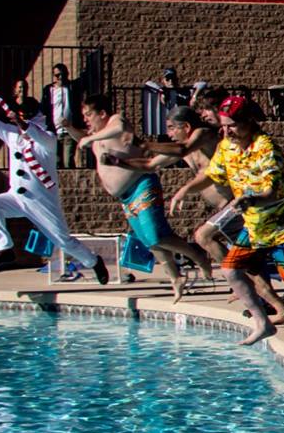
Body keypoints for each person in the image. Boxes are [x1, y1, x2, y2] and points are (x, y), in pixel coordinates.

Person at [176, 95, 284, 364]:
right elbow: (212, 174)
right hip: (254, 226)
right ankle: (264, 323)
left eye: (232, 126)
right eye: (223, 127)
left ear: (250, 122)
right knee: (230, 270)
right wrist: (184, 189)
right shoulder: (226, 146)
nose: (226, 132)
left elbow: (271, 190)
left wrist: (251, 199)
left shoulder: (266, 147)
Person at [145, 106, 284, 324]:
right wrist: (120, 161)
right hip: (236, 206)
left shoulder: (205, 135)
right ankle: (267, 301)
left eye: (209, 113)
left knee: (207, 238)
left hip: (239, 205)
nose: (208, 119)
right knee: (247, 263)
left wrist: (143, 144)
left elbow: (183, 150)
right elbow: (156, 163)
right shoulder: (223, 143)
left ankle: (246, 287)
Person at [64, 92, 209, 298]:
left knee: (156, 235)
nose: (86, 119)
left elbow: (120, 128)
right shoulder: (97, 135)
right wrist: (71, 129)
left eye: (88, 114)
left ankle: (196, 254)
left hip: (140, 183)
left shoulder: (115, 120)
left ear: (102, 113)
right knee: (150, 241)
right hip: (125, 196)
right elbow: (83, 140)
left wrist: (91, 137)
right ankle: (175, 277)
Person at [0, 86, 106, 286]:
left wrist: (22, 123)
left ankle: (94, 261)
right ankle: (5, 249)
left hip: (41, 201)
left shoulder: (47, 140)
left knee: (62, 240)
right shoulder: (13, 136)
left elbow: (35, 134)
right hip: (16, 198)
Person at [45, 62, 80, 169]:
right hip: (54, 131)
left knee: (68, 161)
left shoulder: (72, 87)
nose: (60, 77)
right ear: (53, 76)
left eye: (63, 74)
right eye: (57, 75)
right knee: (56, 161)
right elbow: (44, 109)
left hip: (69, 130)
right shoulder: (49, 90)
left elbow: (77, 105)